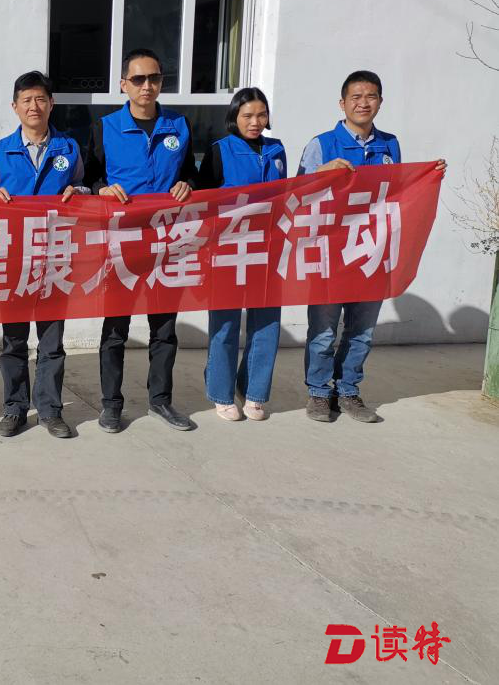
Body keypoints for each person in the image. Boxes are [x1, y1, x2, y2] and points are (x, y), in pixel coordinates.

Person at [297, 70, 446, 423]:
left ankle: (348, 391)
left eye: (371, 96)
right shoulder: (322, 144)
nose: (364, 103)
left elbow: (397, 193)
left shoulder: (389, 145)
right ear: (342, 103)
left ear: (380, 101)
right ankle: (319, 392)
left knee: (361, 331)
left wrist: (428, 176)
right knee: (323, 331)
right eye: (356, 97)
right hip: (331, 253)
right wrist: (321, 173)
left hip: (372, 251)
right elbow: (297, 195)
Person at [85, 48, 198, 433]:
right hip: (123, 242)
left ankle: (161, 401)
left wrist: (188, 184)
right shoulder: (105, 127)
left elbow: (192, 173)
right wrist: (101, 189)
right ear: (123, 85)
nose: (146, 86)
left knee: (164, 329)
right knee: (115, 328)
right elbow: (90, 178)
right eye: (138, 79)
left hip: (168, 241)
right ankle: (111, 405)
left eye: (154, 78)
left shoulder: (179, 125)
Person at [0, 70, 88, 439]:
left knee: (51, 342)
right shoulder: (0, 150)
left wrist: (80, 192)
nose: (34, 106)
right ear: (15, 106)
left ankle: (50, 410)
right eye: (26, 100)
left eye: (40, 99)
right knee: (13, 341)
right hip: (13, 258)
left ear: (51, 104)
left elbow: (82, 187)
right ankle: (14, 409)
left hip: (55, 258)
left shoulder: (69, 148)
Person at [195, 87, 286, 422]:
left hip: (267, 248)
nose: (255, 122)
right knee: (225, 323)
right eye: (247, 115)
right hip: (228, 250)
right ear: (234, 117)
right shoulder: (220, 150)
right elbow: (203, 202)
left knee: (267, 323)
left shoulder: (277, 149)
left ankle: (255, 392)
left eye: (261, 115)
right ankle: (221, 392)